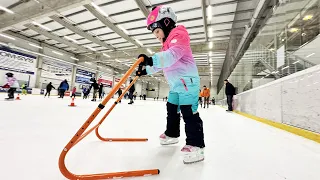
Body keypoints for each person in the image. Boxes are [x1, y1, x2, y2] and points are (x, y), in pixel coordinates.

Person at [135, 5, 205, 164]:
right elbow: (163, 63)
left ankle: (197, 145)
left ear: (166, 22)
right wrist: (146, 69)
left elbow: (172, 56)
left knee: (189, 112)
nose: (157, 36)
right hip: (175, 85)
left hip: (187, 82)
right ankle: (172, 134)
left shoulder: (179, 34)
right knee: (172, 108)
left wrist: (151, 59)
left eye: (157, 31)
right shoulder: (166, 43)